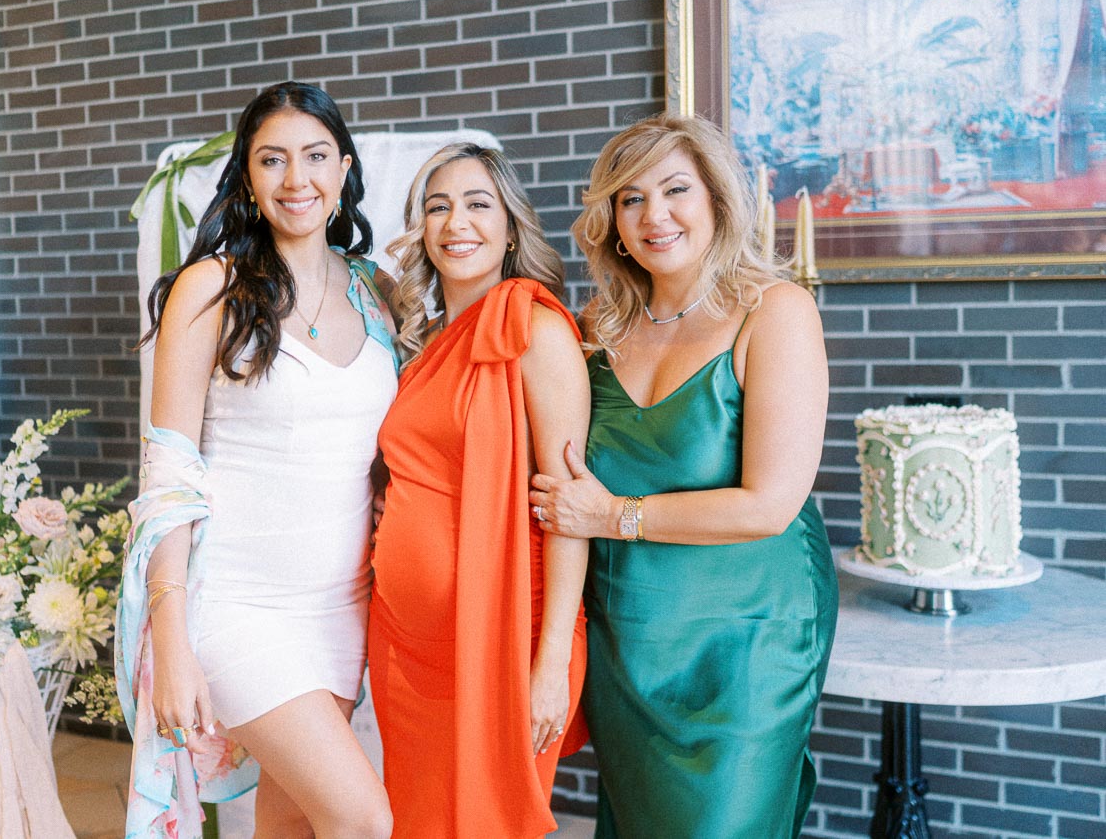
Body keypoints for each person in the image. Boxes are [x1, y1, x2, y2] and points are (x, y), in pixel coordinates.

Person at [528, 113, 838, 839]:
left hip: (750, 635)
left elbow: (769, 505)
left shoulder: (775, 311)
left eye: (675, 190)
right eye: (631, 199)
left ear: (718, 201)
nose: (654, 216)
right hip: (629, 632)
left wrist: (612, 516)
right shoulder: (596, 327)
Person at [114, 81, 399, 839]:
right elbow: (168, 471)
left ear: (344, 169)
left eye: (315, 156)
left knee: (293, 823)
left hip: (341, 606)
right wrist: (171, 639)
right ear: (246, 175)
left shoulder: (378, 291)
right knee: (362, 819)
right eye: (272, 159)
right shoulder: (212, 288)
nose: (296, 178)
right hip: (236, 605)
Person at [367, 143, 591, 838]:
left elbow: (570, 508)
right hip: (406, 645)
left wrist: (551, 664)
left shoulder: (537, 329)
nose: (456, 222)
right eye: (438, 207)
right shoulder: (423, 340)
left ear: (511, 227)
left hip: (507, 638)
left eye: (477, 204)